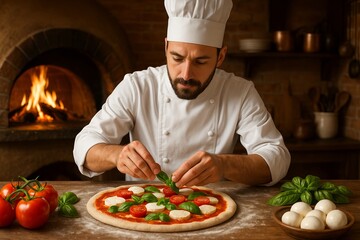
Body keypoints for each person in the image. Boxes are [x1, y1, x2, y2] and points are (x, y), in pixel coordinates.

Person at [73, 0, 290, 187]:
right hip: (144, 210)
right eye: (177, 58)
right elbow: (84, 146)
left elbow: (277, 158)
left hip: (211, 207)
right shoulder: (137, 86)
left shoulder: (240, 92)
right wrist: (117, 155)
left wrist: (225, 165)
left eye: (200, 61)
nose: (186, 74)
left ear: (220, 57)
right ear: (166, 47)